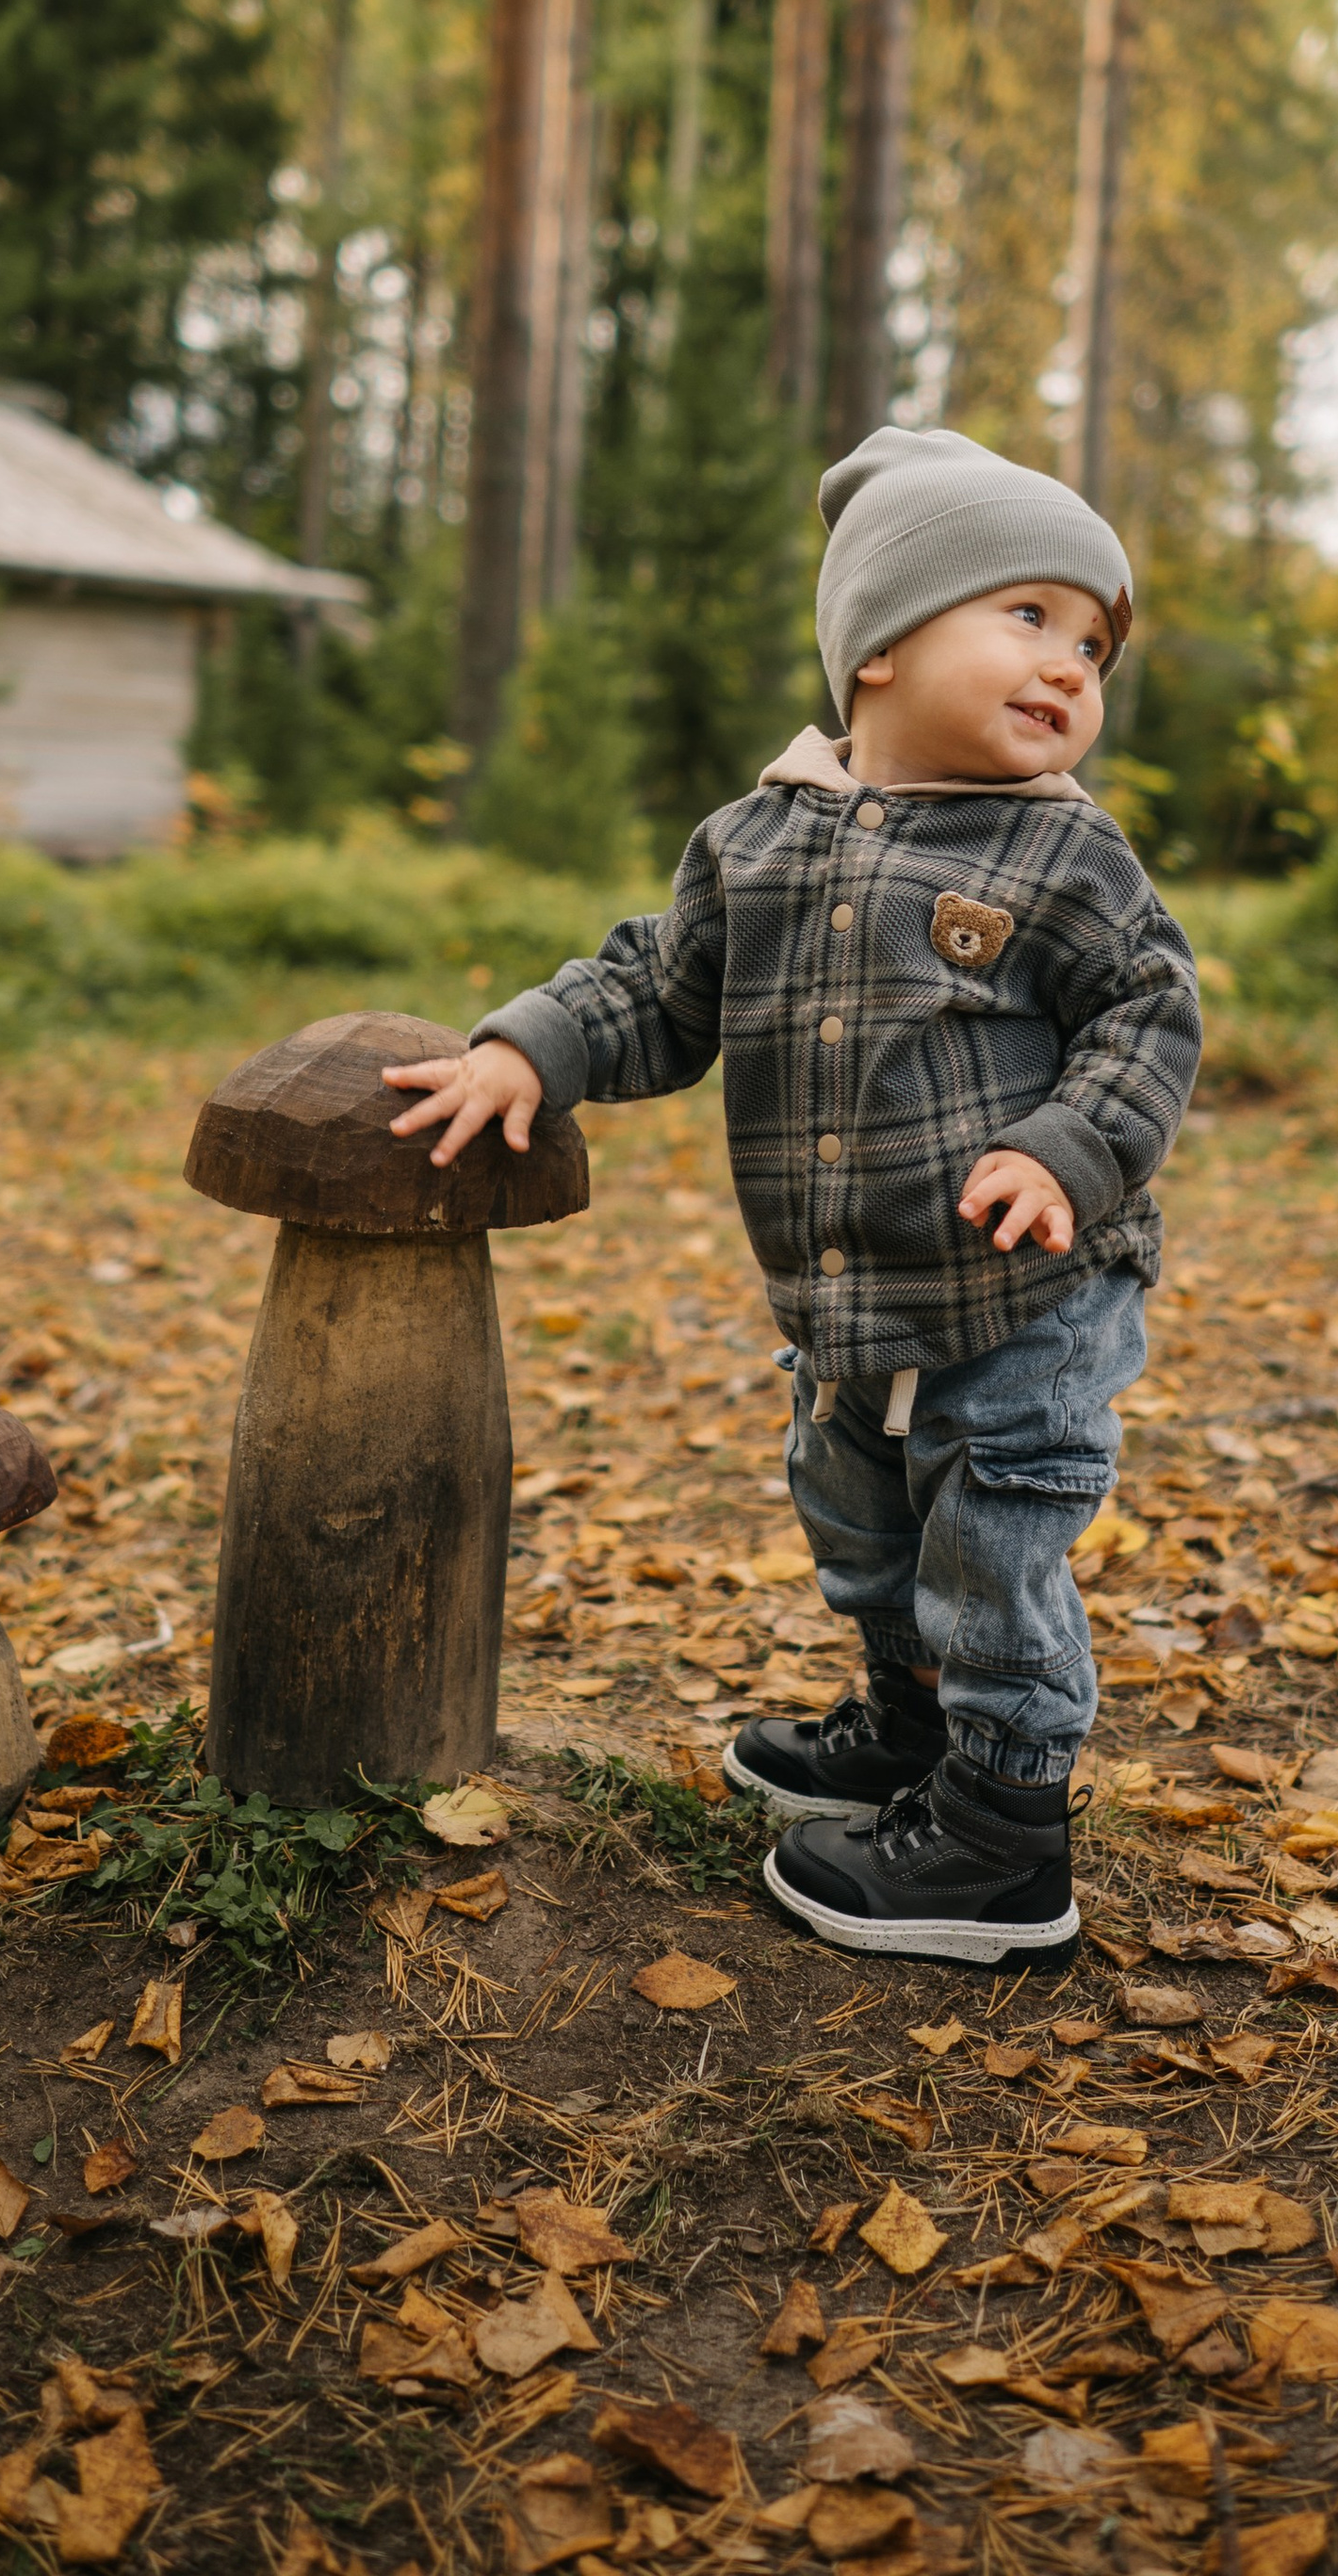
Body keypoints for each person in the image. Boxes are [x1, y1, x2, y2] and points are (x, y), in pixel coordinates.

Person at [384, 426, 1201, 1965]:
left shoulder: (1064, 850)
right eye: (1029, 614)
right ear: (880, 645)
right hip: (849, 1292)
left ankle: (1004, 1839)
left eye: (1094, 645)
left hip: (1025, 1293)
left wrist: (1065, 1152)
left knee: (991, 1542)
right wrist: (530, 1048)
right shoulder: (755, 840)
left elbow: (1150, 1015)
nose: (1071, 664)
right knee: (863, 1521)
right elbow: (659, 989)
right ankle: (912, 1733)